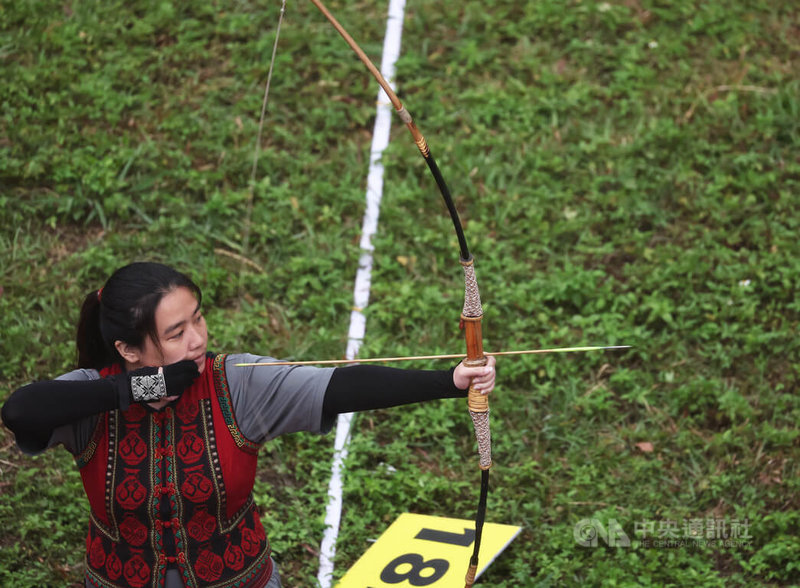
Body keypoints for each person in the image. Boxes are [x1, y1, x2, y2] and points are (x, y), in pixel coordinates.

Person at [1, 262, 496, 588]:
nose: (197, 340)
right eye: (176, 333)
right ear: (129, 351)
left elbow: (340, 388)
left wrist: (451, 380)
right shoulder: (90, 394)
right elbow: (20, 411)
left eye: (198, 319)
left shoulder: (235, 382)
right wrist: (139, 388)